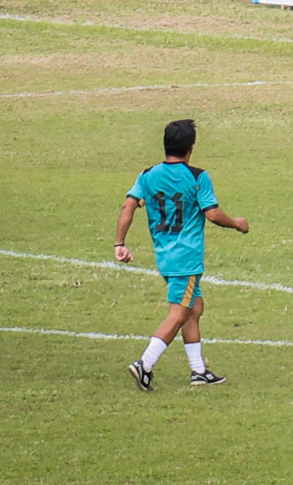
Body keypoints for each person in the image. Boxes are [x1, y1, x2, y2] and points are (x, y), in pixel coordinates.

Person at [115, 119, 249, 391]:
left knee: (194, 309)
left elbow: (128, 206)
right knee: (178, 313)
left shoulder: (148, 175)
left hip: (164, 256)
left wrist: (120, 242)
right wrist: (236, 223)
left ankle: (199, 371)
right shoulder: (197, 176)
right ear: (191, 148)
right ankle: (145, 364)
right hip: (185, 259)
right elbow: (212, 214)